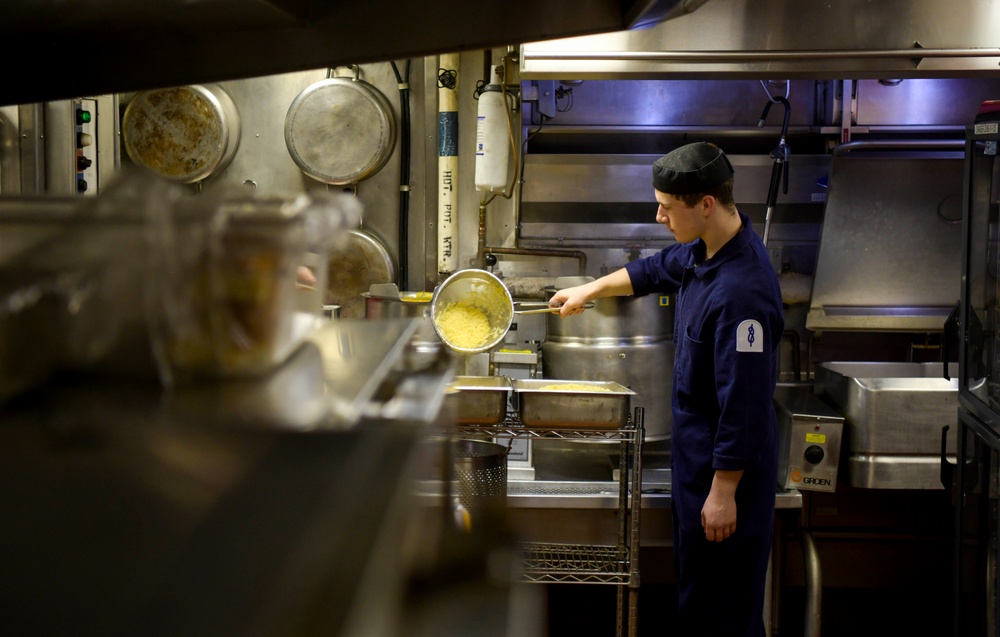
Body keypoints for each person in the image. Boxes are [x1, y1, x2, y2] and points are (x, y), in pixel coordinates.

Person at [549, 141, 784, 637]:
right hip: (699, 466)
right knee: (701, 602)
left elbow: (745, 406)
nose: (658, 216)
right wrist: (589, 289)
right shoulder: (708, 250)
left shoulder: (742, 292)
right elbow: (655, 270)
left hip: (728, 482)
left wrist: (723, 492)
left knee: (724, 614)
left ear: (706, 204)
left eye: (667, 207)